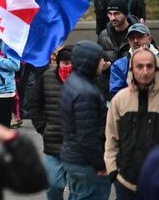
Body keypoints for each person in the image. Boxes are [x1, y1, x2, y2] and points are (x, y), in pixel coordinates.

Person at [105, 48, 159, 199]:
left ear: (156, 69)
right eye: (139, 66)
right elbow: (111, 138)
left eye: (149, 66)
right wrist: (113, 172)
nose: (145, 71)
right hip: (125, 183)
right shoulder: (120, 100)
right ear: (132, 69)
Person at [60, 40, 111, 200]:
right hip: (86, 163)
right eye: (100, 59)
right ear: (90, 62)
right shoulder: (86, 93)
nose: (103, 62)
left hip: (74, 157)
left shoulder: (73, 82)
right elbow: (87, 135)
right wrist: (100, 165)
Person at [29, 46, 73, 200]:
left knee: (77, 189)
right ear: (58, 63)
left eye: (71, 63)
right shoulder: (47, 78)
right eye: (65, 63)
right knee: (54, 185)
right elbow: (34, 104)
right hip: (53, 143)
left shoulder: (82, 78)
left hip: (76, 146)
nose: (67, 67)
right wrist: (42, 127)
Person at [110, 23, 157, 96]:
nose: (135, 41)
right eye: (131, 38)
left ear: (149, 39)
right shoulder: (118, 65)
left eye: (139, 37)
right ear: (128, 41)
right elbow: (116, 92)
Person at [98, 0, 136, 64]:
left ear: (125, 14)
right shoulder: (103, 36)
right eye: (110, 14)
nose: (112, 18)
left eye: (117, 13)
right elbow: (98, 60)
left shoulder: (138, 34)